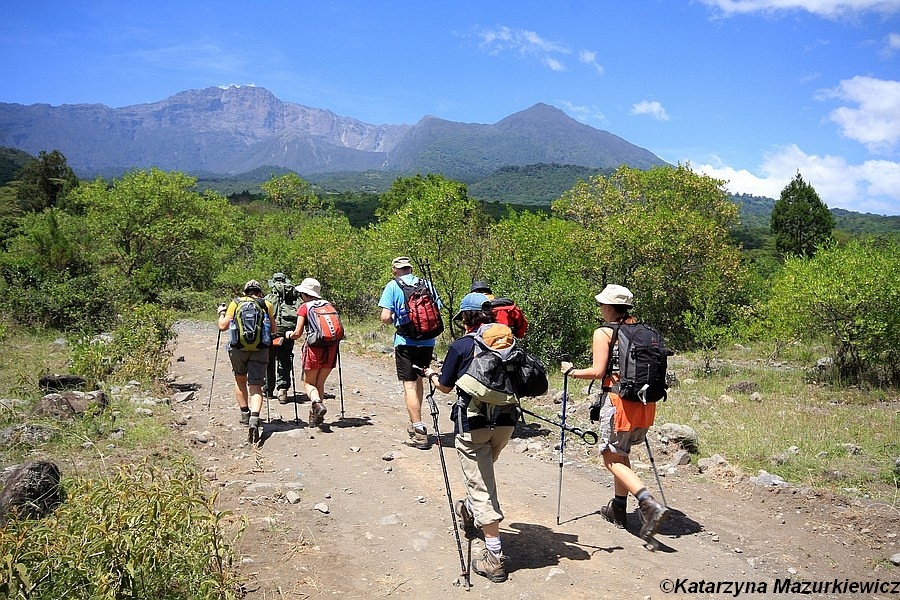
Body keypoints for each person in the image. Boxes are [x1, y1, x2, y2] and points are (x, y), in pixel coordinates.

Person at [560, 284, 669, 545]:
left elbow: (598, 371)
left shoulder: (604, 332)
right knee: (621, 454)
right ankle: (619, 508)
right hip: (645, 404)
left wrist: (571, 371)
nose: (600, 309)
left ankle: (647, 502)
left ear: (609, 307)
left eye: (601, 305)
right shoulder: (646, 331)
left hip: (619, 402)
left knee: (611, 459)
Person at [423, 292, 515, 584]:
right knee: (482, 477)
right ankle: (469, 506)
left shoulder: (462, 345)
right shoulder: (507, 343)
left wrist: (432, 376)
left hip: (472, 424)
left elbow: (447, 387)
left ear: (465, 317)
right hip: (506, 422)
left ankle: (494, 556)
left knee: (482, 487)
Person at [378, 256, 438, 450]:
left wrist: (397, 317)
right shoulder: (426, 283)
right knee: (420, 378)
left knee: (410, 385)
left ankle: (419, 429)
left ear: (395, 270)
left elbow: (385, 317)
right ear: (411, 268)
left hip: (406, 342)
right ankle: (415, 421)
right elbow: (437, 308)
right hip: (428, 341)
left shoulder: (392, 286)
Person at [217, 280, 277, 443]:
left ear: (245, 292)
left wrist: (221, 313)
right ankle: (255, 419)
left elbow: (222, 326)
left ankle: (245, 414)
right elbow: (273, 330)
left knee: (240, 379)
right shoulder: (266, 304)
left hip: (238, 349)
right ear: (259, 292)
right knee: (256, 386)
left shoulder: (235, 303)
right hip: (260, 349)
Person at [287, 278, 337, 428]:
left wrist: (288, 335)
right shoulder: (328, 305)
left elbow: (297, 333)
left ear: (306, 294)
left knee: (309, 383)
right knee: (320, 383)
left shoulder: (305, 307)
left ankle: (317, 404)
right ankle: (316, 417)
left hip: (314, 349)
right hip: (331, 348)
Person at [265, 272, 299, 404]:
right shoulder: (293, 298)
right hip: (288, 331)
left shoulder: (268, 298)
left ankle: (268, 389)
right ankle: (283, 391)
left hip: (272, 332)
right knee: (285, 359)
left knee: (268, 360)